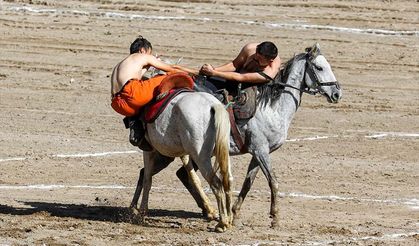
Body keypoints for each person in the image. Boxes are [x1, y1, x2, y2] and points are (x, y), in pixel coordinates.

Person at [111, 36, 197, 150]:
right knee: (167, 77)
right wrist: (191, 73)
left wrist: (150, 64)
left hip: (118, 104)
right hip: (133, 95)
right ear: (143, 50)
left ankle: (135, 123)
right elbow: (170, 69)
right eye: (150, 53)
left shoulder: (121, 64)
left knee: (145, 82)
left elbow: (136, 75)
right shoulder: (143, 56)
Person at [199, 41, 281, 92]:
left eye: (259, 59)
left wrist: (214, 73)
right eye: (256, 54)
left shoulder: (269, 73)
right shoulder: (250, 48)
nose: (255, 57)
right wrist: (213, 69)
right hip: (236, 74)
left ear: (270, 61)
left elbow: (241, 77)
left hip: (247, 82)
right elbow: (235, 64)